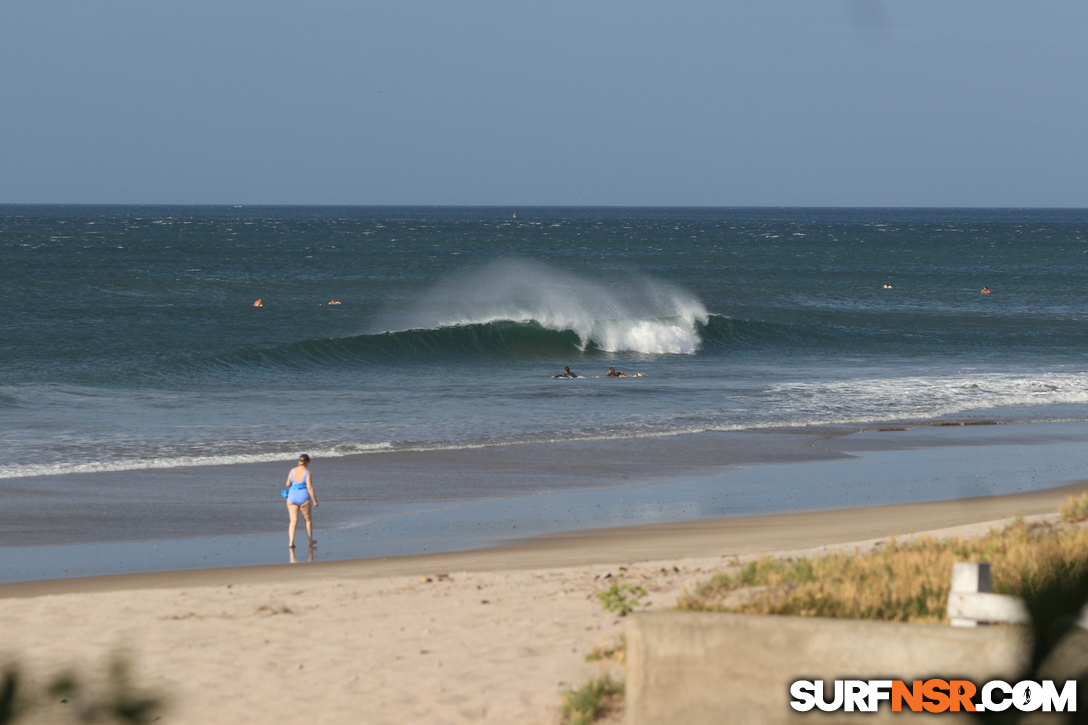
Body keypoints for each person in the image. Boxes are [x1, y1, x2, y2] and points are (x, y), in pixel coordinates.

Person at [284, 454, 318, 549]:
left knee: (293, 521)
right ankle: (310, 541)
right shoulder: (307, 472)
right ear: (307, 462)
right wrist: (314, 500)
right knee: (307, 520)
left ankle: (291, 542)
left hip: (292, 497)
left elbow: (287, 484)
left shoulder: (292, 470)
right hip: (303, 497)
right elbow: (310, 487)